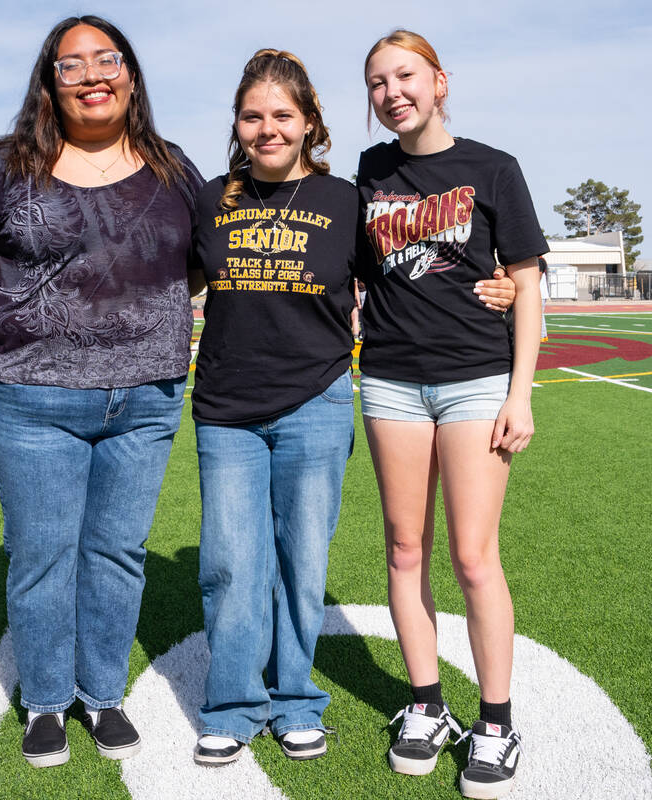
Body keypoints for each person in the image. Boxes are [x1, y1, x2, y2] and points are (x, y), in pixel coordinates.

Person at [189, 49, 518, 768]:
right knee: (229, 562)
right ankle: (233, 704)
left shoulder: (347, 196)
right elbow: (172, 277)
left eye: (283, 115)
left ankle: (300, 698)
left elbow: (417, 264)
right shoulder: (211, 197)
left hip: (319, 398)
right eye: (253, 116)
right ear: (237, 124)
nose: (267, 128)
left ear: (310, 122)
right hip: (227, 404)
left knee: (306, 559)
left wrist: (510, 287)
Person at [0, 16, 202, 769]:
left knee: (117, 552)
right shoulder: (5, 169)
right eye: (70, 66)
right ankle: (46, 701)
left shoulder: (174, 168)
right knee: (44, 553)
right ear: (50, 83)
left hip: (145, 398)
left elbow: (205, 260)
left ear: (131, 75)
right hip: (31, 399)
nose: (91, 76)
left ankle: (102, 694)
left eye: (105, 60)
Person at [356, 30, 546, 800]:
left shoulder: (493, 168)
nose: (391, 91)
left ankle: (495, 721)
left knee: (473, 556)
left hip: (475, 380)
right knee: (406, 549)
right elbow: (363, 274)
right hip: (392, 383)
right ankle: (427, 705)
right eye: (376, 82)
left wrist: (520, 393)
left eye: (405, 75)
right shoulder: (370, 172)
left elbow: (526, 284)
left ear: (440, 81)